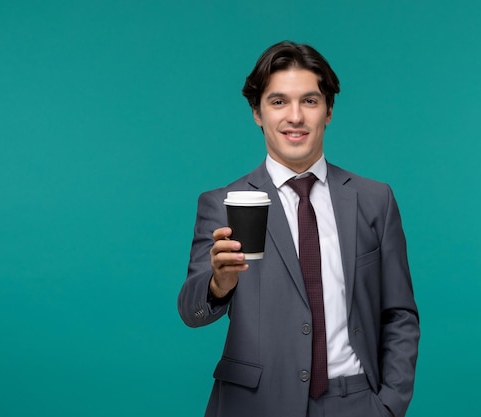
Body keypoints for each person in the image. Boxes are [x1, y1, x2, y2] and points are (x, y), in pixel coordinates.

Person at [178, 40, 419, 417]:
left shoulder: (375, 200)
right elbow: (191, 312)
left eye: (309, 101)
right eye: (278, 102)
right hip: (253, 404)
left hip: (354, 402)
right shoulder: (222, 203)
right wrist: (217, 285)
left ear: (328, 111)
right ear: (257, 112)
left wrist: (389, 405)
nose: (295, 117)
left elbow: (399, 314)